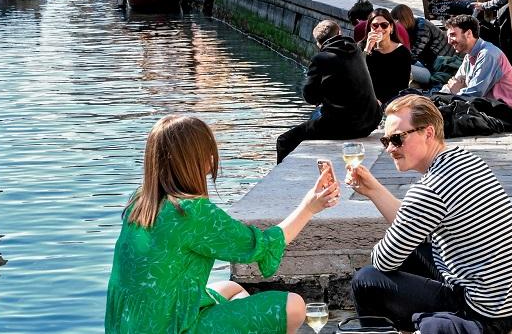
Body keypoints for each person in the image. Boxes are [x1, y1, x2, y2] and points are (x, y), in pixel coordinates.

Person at [105, 115, 341, 334]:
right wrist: (309, 207)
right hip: (173, 326)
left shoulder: (140, 201)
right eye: (207, 150)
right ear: (194, 160)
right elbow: (263, 246)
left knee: (233, 288)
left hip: (133, 324)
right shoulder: (192, 212)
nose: (212, 157)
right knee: (294, 306)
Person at [347, 94, 512, 333]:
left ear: (428, 133)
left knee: (366, 281)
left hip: (481, 311)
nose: (390, 149)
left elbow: (384, 259)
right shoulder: (467, 160)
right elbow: (413, 222)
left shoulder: (430, 189)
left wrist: (381, 246)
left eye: (397, 139)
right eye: (386, 141)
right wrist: (373, 190)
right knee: (412, 247)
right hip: (511, 303)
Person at [276, 20, 381, 163]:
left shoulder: (321, 58)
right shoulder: (356, 50)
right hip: (372, 119)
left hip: (346, 127)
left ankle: (283, 176)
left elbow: (310, 97)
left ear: (318, 42)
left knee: (283, 140)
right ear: (339, 33)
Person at [441, 15, 512, 111]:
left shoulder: (488, 54)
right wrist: (437, 97)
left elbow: (474, 93)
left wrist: (457, 91)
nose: (449, 41)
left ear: (468, 33)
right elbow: (453, 83)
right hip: (486, 108)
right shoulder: (469, 55)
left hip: (504, 114)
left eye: (453, 35)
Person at [391, 4, 455, 85]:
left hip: (442, 63)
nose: (395, 25)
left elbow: (414, 55)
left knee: (398, 66)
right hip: (431, 62)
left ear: (402, 19)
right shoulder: (413, 26)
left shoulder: (422, 27)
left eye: (396, 21)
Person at [363, 9, 412, 106]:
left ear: (391, 28)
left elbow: (402, 86)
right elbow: (357, 75)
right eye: (375, 25)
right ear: (370, 28)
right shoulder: (362, 48)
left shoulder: (402, 52)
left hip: (392, 101)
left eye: (384, 25)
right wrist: (367, 49)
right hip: (366, 99)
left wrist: (382, 102)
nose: (379, 29)